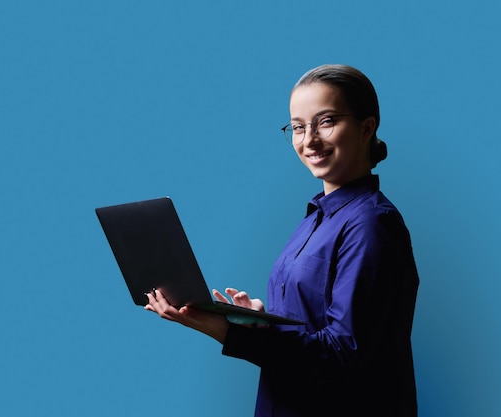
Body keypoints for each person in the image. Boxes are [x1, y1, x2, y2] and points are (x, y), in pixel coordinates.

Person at [145, 64, 420, 417]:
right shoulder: (315, 219)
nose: (309, 141)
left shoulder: (372, 225)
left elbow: (345, 353)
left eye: (326, 122)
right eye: (298, 127)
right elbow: (311, 325)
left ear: (367, 127)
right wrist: (262, 322)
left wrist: (230, 334)